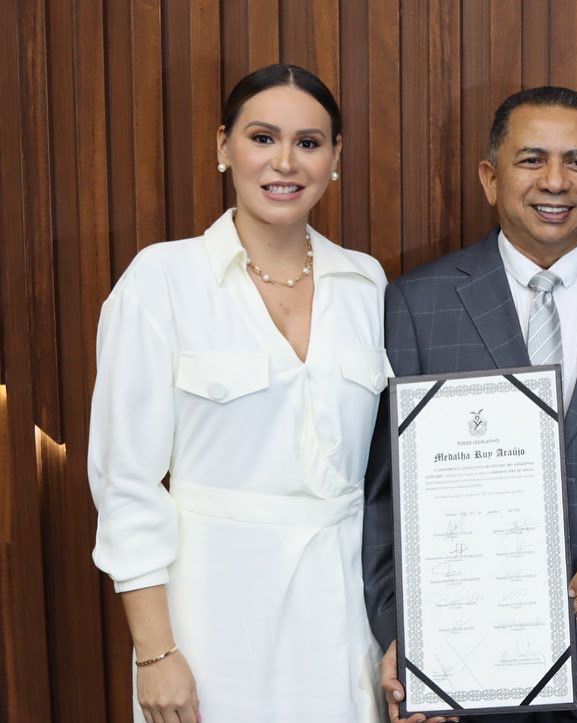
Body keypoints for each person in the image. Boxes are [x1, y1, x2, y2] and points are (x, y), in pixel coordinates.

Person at [362, 86, 577, 723]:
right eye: (531, 160)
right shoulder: (416, 305)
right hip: (463, 678)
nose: (555, 181)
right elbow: (383, 497)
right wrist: (402, 639)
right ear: (490, 178)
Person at [88, 64, 390, 723]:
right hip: (209, 621)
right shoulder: (161, 280)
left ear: (335, 158)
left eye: (309, 143)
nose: (285, 161)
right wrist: (154, 650)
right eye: (262, 137)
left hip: (342, 618)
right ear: (223, 146)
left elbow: (385, 479)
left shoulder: (366, 284)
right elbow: (126, 482)